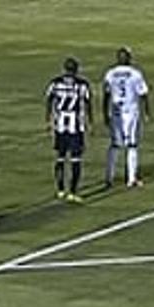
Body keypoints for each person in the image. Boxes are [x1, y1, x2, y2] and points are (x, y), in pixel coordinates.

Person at [102, 46, 151, 188]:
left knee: (115, 145)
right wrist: (147, 111)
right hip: (131, 112)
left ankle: (109, 177)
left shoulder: (110, 74)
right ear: (129, 58)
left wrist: (105, 113)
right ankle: (131, 178)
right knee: (132, 145)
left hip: (116, 112)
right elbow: (143, 94)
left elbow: (106, 95)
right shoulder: (135, 74)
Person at [46, 58, 94, 201]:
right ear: (76, 70)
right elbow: (87, 103)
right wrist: (90, 122)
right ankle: (73, 192)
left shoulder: (55, 83)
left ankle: (60, 189)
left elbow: (49, 100)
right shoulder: (82, 84)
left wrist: (48, 120)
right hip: (75, 126)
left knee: (60, 157)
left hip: (60, 124)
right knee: (75, 159)